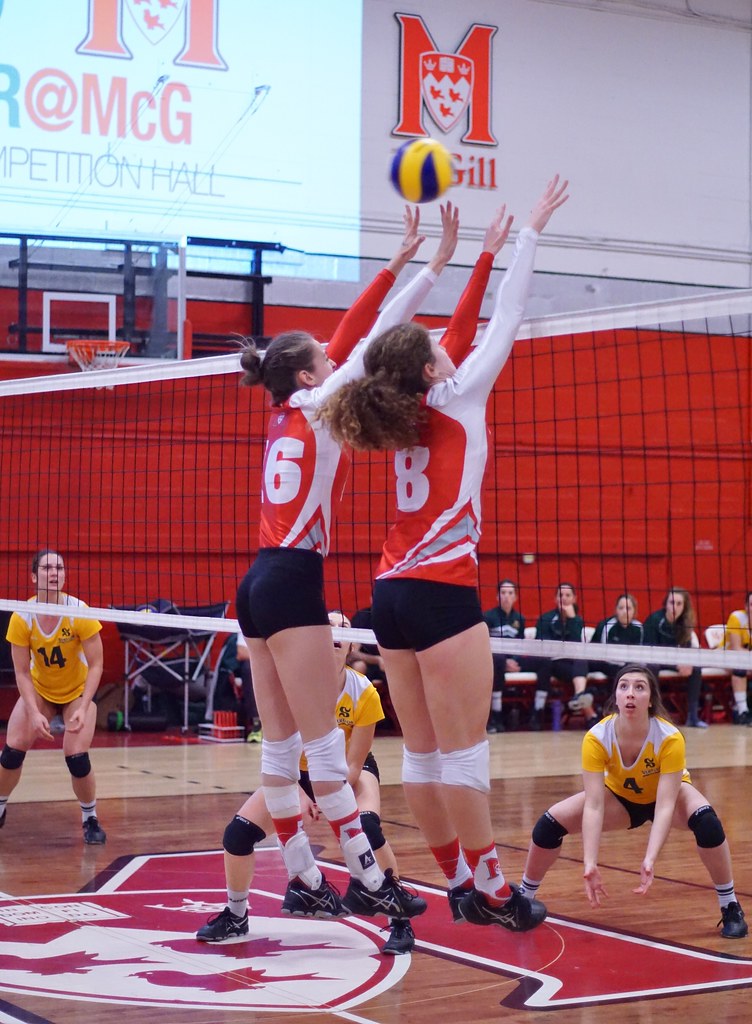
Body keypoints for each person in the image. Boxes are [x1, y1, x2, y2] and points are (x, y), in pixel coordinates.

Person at [320, 177, 569, 931]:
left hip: (390, 593)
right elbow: (508, 319)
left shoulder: (408, 402)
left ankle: (456, 880)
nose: (443, 345)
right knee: (463, 756)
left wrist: (481, 256)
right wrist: (527, 234)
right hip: (441, 590)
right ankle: (493, 890)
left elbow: (455, 335)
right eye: (433, 348)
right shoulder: (461, 394)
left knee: (422, 756)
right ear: (429, 369)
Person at [233, 205, 459, 923]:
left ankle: (302, 879)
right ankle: (369, 879)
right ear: (310, 373)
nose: (337, 361)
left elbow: (347, 333)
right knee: (324, 753)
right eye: (326, 360)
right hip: (295, 580)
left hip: (256, 582)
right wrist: (423, 265)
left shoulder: (283, 408)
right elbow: (379, 327)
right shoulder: (323, 399)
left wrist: (399, 257)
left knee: (279, 750)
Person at [197, 612, 416, 954]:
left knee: (369, 832)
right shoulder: (293, 684)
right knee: (236, 836)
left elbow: (355, 766)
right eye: (328, 626)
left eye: (344, 627)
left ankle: (400, 920)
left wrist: (329, 798)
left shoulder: (364, 694)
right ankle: (236, 915)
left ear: (353, 644)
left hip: (346, 773)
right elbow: (279, 753)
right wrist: (300, 792)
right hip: (295, 773)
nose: (336, 632)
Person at [517, 664, 747, 940]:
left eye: (640, 687)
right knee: (547, 826)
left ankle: (730, 905)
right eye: (624, 686)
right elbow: (594, 805)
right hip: (620, 799)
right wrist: (589, 862)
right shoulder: (597, 738)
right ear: (615, 696)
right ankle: (523, 900)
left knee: (708, 824)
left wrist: (650, 858)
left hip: (669, 797)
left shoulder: (669, 737)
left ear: (650, 699)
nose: (630, 693)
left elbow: (663, 805)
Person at [1, 549, 106, 844]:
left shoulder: (78, 611)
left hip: (76, 693)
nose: (54, 573)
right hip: (40, 692)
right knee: (11, 753)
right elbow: (21, 672)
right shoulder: (22, 616)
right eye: (47, 568)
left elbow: (97, 664)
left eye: (59, 568)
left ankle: (90, 818)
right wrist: (34, 712)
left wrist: (84, 707)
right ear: (35, 577)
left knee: (77, 758)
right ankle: (0, 807)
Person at [528, 583, 595, 729]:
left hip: (571, 666)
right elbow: (542, 647)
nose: (563, 598)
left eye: (567, 595)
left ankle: (579, 695)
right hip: (553, 665)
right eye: (560, 595)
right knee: (550, 664)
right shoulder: (545, 618)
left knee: (581, 660)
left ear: (574, 599)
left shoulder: (577, 620)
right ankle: (589, 711)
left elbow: (577, 645)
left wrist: (571, 619)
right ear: (555, 598)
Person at [643, 588, 705, 728]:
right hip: (652, 660)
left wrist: (687, 662)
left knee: (696, 668)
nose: (674, 607)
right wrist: (677, 664)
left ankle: (693, 716)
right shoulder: (654, 620)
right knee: (652, 668)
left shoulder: (685, 623)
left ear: (684, 607)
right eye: (672, 602)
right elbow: (651, 653)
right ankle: (653, 714)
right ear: (666, 604)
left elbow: (687, 650)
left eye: (679, 604)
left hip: (673, 661)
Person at [482, 579, 525, 733]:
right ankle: (496, 715)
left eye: (510, 593)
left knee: (543, 662)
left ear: (515, 597)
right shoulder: (488, 617)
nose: (506, 596)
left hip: (513, 661)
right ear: (497, 596)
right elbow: (485, 645)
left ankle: (537, 713)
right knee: (499, 659)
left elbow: (521, 644)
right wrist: (506, 661)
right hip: (494, 661)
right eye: (503, 593)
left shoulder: (520, 619)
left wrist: (514, 660)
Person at [588, 593, 644, 688]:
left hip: (626, 665)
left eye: (628, 608)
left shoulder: (639, 628)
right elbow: (601, 655)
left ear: (634, 611)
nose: (624, 612)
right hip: (603, 662)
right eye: (621, 608)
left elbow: (639, 654)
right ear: (616, 610)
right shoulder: (606, 626)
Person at [723, 592, 752, 725]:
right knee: (739, 667)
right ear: (746, 606)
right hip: (724, 656)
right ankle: (742, 711)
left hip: (748, 660)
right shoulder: (736, 618)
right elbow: (736, 648)